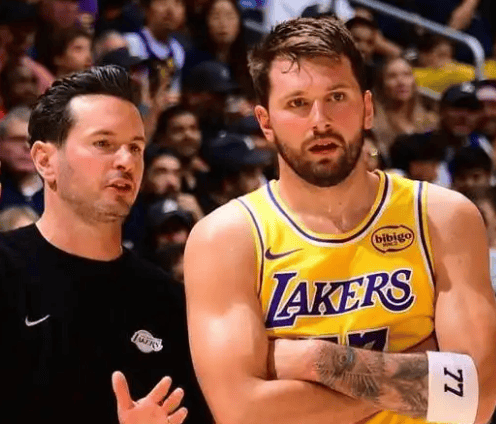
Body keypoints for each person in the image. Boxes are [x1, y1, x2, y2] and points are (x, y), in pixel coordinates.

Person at [184, 16, 496, 424]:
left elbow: (477, 399)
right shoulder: (226, 238)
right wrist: (427, 371)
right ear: (265, 123)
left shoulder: (443, 216)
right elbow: (242, 413)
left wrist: (317, 360)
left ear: (367, 108)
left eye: (336, 97)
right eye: (297, 103)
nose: (320, 121)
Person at [0, 66, 211, 424]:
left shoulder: (164, 298)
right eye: (103, 144)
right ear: (45, 160)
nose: (126, 161)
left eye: (136, 147)